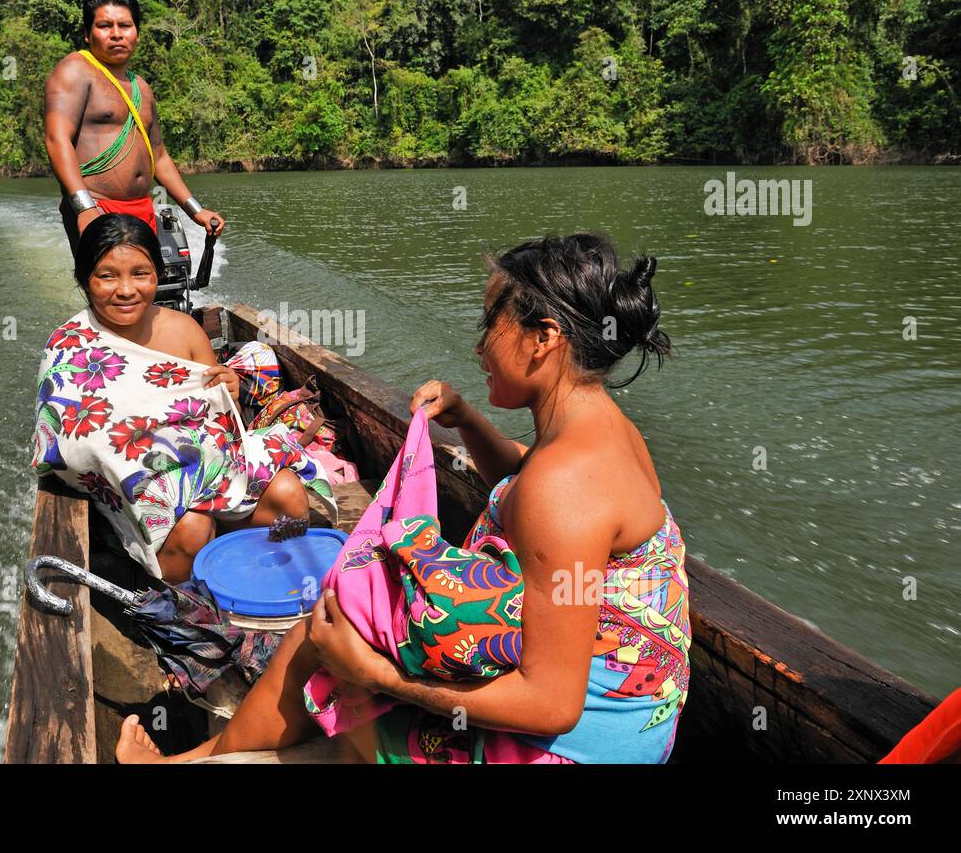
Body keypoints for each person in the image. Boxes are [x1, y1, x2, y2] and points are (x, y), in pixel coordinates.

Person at [115, 232, 691, 763]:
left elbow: (551, 704)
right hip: (625, 705)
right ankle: (202, 758)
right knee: (332, 631)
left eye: (492, 320)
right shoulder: (601, 431)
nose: (479, 345)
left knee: (340, 684)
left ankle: (195, 761)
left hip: (575, 742)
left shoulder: (564, 486)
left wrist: (378, 677)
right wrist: (467, 421)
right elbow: (523, 481)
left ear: (544, 339)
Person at [31, 214, 335, 582]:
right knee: (192, 525)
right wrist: (170, 477)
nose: (126, 290)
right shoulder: (70, 345)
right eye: (107, 276)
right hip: (134, 496)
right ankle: (182, 601)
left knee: (288, 495)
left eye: (140, 274)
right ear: (84, 280)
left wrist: (231, 392)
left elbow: (224, 424)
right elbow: (72, 447)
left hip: (213, 470)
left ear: (157, 275)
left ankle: (264, 582)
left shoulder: (185, 330)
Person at [43, 0, 225, 256]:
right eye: (105, 25)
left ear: (136, 33)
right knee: (117, 292)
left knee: (151, 288)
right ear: (87, 33)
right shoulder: (75, 70)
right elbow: (57, 139)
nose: (116, 34)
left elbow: (159, 157)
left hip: (142, 209)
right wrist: (84, 208)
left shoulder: (141, 87)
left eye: (125, 25)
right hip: (98, 208)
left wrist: (195, 211)